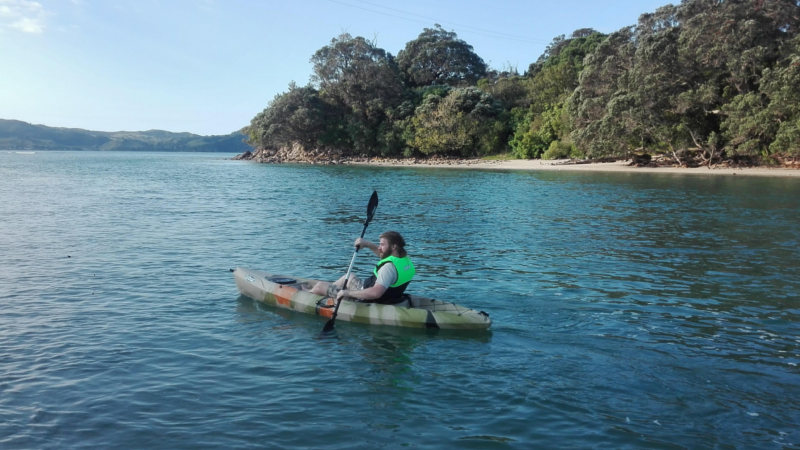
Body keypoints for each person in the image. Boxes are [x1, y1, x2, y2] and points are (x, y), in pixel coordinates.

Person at [310, 231, 415, 305]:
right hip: (392, 297)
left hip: (367, 298)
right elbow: (383, 254)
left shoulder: (388, 268)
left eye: (382, 244)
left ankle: (309, 296)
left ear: (394, 247)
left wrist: (347, 293)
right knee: (350, 276)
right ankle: (332, 295)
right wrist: (367, 244)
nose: (379, 247)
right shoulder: (404, 259)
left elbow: (376, 293)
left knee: (320, 286)